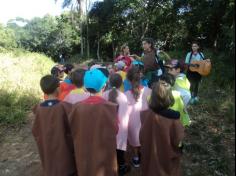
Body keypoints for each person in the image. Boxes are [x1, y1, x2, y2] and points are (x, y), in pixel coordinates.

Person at [69, 68, 118, 176]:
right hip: (104, 150)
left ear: (85, 87)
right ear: (104, 86)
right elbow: (115, 129)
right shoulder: (110, 107)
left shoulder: (77, 107)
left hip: (84, 149)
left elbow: (72, 128)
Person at [32, 75, 77, 176]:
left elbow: (35, 130)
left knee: (51, 167)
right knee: (66, 167)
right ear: (58, 88)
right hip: (64, 148)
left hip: (47, 148)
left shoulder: (38, 109)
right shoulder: (64, 106)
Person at [140, 80, 185, 176]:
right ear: (169, 97)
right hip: (166, 158)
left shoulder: (145, 113)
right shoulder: (174, 119)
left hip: (149, 154)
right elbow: (178, 140)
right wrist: (180, 148)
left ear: (153, 97)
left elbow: (142, 135)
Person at [103, 73, 131, 175]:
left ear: (109, 83)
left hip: (107, 127)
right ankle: (121, 168)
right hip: (120, 128)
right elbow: (125, 113)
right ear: (121, 84)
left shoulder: (104, 95)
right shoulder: (123, 97)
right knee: (120, 151)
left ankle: (109, 167)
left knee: (109, 149)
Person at [125, 67, 151, 168]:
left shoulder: (125, 95)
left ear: (128, 79)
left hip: (132, 124)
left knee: (135, 141)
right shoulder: (149, 91)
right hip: (145, 122)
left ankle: (136, 158)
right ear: (140, 78)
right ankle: (144, 156)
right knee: (144, 140)